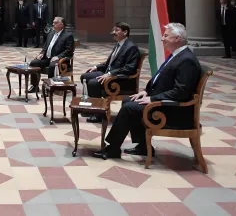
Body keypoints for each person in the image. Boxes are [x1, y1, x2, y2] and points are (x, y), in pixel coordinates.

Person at [93, 23, 201, 160]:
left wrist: (152, 99)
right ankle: (143, 146)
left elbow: (181, 92)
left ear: (177, 38)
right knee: (129, 100)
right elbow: (163, 80)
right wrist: (146, 92)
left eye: (166, 35)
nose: (162, 39)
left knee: (129, 108)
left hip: (175, 112)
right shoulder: (178, 55)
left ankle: (113, 148)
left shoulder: (186, 60)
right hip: (165, 104)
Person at [80, 22, 140, 123]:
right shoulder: (119, 44)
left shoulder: (131, 47)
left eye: (117, 30)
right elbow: (109, 63)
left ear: (125, 32)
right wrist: (96, 67)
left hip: (120, 80)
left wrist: (110, 74)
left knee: (93, 83)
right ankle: (91, 107)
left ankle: (98, 114)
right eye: (113, 30)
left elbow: (129, 69)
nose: (113, 33)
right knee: (84, 76)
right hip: (109, 73)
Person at [28, 17, 75, 92]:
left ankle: (50, 88)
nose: (53, 24)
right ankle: (34, 86)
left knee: (52, 65)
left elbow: (69, 50)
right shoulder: (51, 33)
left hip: (61, 61)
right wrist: (42, 53)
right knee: (34, 63)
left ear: (61, 25)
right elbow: (45, 46)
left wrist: (58, 57)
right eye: (53, 22)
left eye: (55, 23)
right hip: (47, 58)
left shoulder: (68, 35)